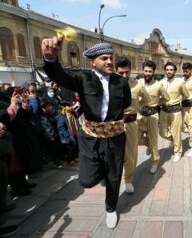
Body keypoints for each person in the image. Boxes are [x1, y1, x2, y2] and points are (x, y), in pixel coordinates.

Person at [41, 37, 131, 229]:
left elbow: (126, 104)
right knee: (86, 180)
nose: (109, 62)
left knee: (114, 177)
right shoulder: (83, 78)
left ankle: (111, 209)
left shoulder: (121, 83)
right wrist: (50, 59)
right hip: (90, 137)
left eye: (110, 58)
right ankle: (101, 174)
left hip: (115, 137)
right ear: (93, 62)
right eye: (103, 58)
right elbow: (60, 76)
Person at [114, 56, 150, 194]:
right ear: (115, 71)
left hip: (130, 124)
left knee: (131, 154)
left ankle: (128, 179)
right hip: (113, 124)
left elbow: (147, 100)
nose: (124, 76)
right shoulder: (109, 85)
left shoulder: (137, 85)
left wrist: (135, 108)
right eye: (121, 73)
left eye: (127, 72)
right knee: (114, 154)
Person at [138, 60, 170, 171]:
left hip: (152, 117)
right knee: (135, 139)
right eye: (146, 71)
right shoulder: (138, 83)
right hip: (140, 116)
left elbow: (166, 98)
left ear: (153, 72)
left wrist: (157, 103)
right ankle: (149, 145)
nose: (147, 73)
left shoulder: (158, 85)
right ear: (143, 71)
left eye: (150, 71)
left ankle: (155, 162)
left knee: (154, 141)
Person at [159, 62, 189, 162]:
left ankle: (178, 152)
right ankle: (173, 139)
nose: (169, 72)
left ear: (175, 71)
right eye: (167, 70)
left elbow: (186, 95)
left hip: (175, 111)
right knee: (162, 132)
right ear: (165, 71)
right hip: (164, 111)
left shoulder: (180, 82)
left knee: (176, 133)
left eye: (171, 70)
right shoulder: (161, 82)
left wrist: (177, 101)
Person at [57, 100, 79, 166]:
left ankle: (75, 157)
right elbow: (61, 127)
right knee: (69, 148)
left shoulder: (73, 113)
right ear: (64, 107)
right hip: (68, 135)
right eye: (69, 106)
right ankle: (70, 160)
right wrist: (67, 135)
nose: (70, 107)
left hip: (75, 133)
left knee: (75, 147)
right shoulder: (62, 116)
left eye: (71, 106)